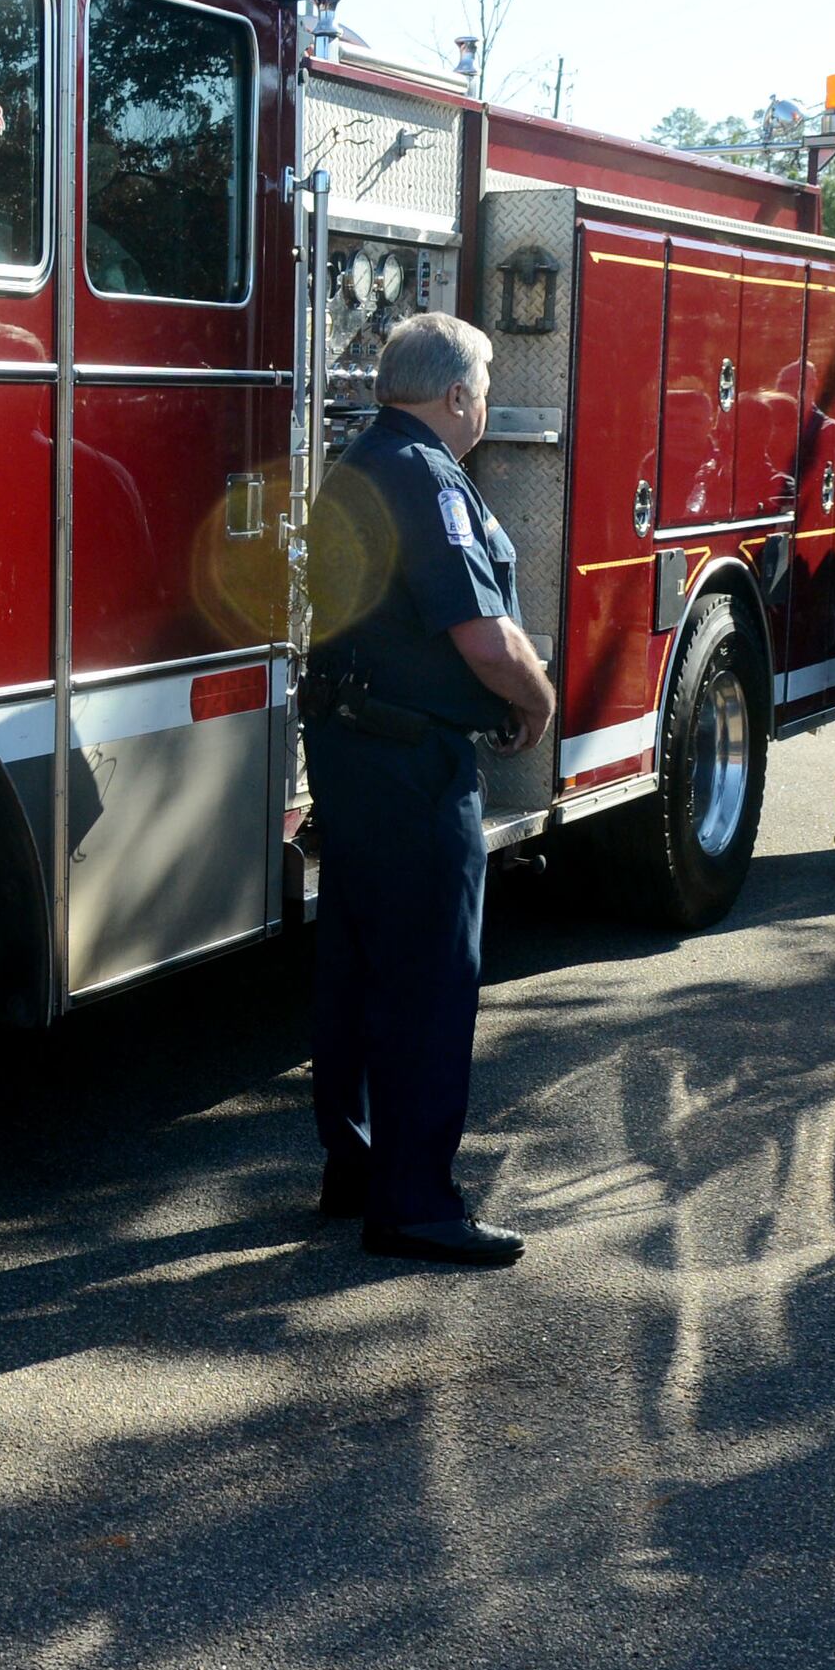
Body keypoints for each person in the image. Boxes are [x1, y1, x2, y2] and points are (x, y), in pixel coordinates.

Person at [301, 312, 557, 1267]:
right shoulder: (427, 476)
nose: (486, 403)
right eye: (483, 386)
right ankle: (413, 1202)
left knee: (360, 966)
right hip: (412, 764)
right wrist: (535, 698)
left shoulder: (364, 459)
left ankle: (359, 1166)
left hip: (356, 751)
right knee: (429, 981)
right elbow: (484, 638)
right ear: (456, 396)